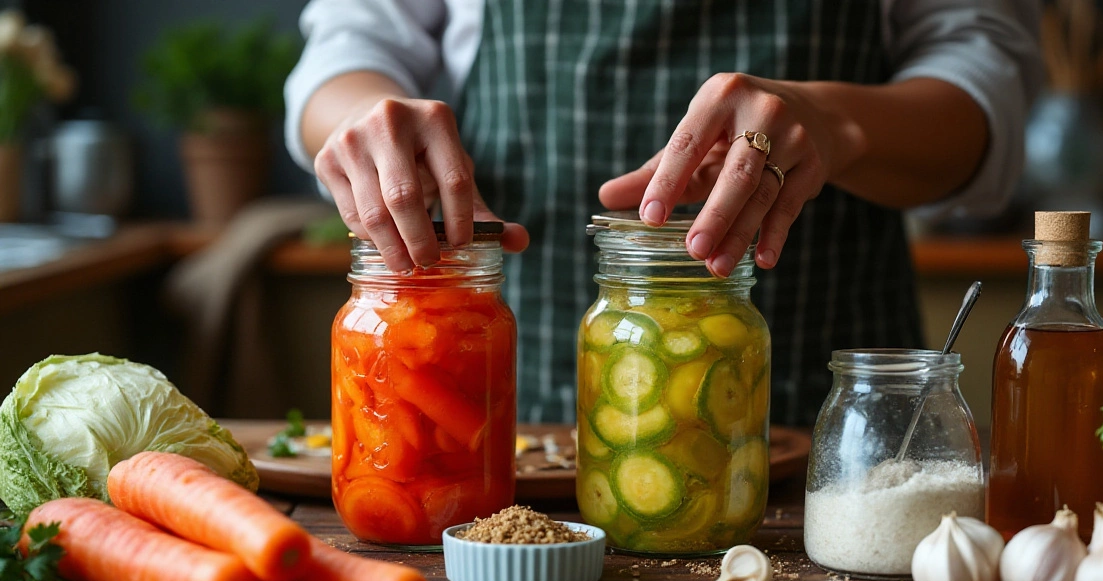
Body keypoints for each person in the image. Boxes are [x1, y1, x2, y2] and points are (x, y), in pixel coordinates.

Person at [285, 0, 1041, 425]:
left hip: (837, 426)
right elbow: (346, 47)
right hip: (504, 421)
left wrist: (837, 124)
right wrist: (364, 118)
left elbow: (989, 87)